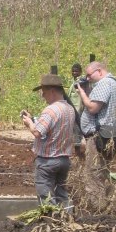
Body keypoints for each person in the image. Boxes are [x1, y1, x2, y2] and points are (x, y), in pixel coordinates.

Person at [21, 74, 76, 210]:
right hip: (64, 159)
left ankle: (51, 223)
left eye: (44, 93)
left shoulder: (50, 110)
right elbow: (52, 129)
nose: (43, 97)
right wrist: (34, 120)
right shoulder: (70, 109)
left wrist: (29, 123)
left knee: (46, 195)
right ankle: (66, 220)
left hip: (48, 160)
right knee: (61, 194)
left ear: (52, 92)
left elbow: (37, 132)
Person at [76, 61, 116, 210]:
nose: (87, 78)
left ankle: (97, 210)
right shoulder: (114, 83)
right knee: (103, 171)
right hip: (110, 134)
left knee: (93, 174)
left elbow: (92, 108)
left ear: (100, 71)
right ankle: (107, 204)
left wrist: (82, 93)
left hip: (98, 136)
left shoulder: (104, 84)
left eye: (89, 75)